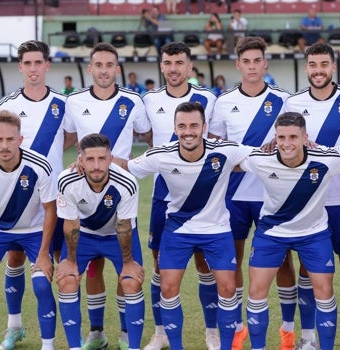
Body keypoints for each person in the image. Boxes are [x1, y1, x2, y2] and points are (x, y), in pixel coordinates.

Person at [117, 101, 251, 350]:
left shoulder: (225, 151)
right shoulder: (161, 154)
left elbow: (262, 156)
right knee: (167, 287)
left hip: (216, 230)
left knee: (228, 286)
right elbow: (127, 166)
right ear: (175, 128)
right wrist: (92, 159)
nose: (188, 131)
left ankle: (220, 342)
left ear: (204, 127)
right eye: (182, 126)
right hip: (178, 230)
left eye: (193, 125)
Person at [0, 40, 73, 350]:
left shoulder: (62, 104)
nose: (33, 68)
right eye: (27, 63)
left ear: (47, 66)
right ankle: (14, 327)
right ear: (20, 67)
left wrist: (50, 164)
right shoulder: (7, 103)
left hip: (52, 200)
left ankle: (71, 335)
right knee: (15, 259)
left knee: (58, 267)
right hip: (15, 201)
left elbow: (71, 137)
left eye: (38, 63)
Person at [62, 42, 151, 350]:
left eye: (109, 65)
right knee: (93, 268)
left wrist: (134, 165)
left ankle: (127, 335)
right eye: (98, 65)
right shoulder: (74, 101)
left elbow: (151, 134)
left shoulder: (133, 101)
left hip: (120, 195)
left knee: (124, 268)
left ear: (117, 68)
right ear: (90, 68)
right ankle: (97, 333)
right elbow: (70, 138)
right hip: (85, 191)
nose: (103, 70)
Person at [208, 36, 291, 350]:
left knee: (282, 261)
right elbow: (215, 143)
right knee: (235, 260)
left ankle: (287, 331)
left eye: (258, 60)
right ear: (238, 64)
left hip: (274, 193)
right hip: (235, 194)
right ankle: (239, 328)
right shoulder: (225, 101)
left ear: (265, 63)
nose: (253, 66)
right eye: (247, 61)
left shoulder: (284, 100)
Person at [242, 112, 340, 350]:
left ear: (305, 138)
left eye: (293, 137)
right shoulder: (260, 159)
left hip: (313, 233)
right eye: (281, 137)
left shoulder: (326, 159)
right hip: (272, 232)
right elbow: (226, 158)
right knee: (256, 290)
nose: (286, 143)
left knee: (324, 290)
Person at [284, 42, 340, 350]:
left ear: (333, 67)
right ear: (306, 68)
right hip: (307, 203)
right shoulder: (293, 103)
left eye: (324, 64)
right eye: (313, 65)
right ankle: (308, 338)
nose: (318, 70)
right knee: (309, 270)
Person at [141, 41, 219, 350]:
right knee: (160, 264)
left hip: (203, 194)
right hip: (164, 194)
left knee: (204, 264)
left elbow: (217, 138)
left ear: (189, 66)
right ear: (161, 66)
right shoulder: (149, 100)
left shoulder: (209, 99)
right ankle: (160, 332)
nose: (173, 69)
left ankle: (211, 332)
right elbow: (147, 137)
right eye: (168, 63)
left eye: (179, 63)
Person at [0, 110, 58, 350]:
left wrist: (45, 252)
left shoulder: (40, 165)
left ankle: (48, 346)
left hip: (35, 230)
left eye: (10, 139)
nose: (5, 146)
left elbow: (50, 209)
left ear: (20, 140)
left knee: (42, 284)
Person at [56, 133, 145, 350]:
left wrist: (128, 263)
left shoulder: (127, 182)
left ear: (110, 158)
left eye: (102, 159)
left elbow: (124, 226)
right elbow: (70, 223)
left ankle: (130, 341)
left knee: (131, 280)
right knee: (67, 279)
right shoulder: (67, 180)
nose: (96, 165)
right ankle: (87, 339)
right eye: (90, 159)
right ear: (80, 160)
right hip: (84, 234)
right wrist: (70, 261)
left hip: (117, 235)